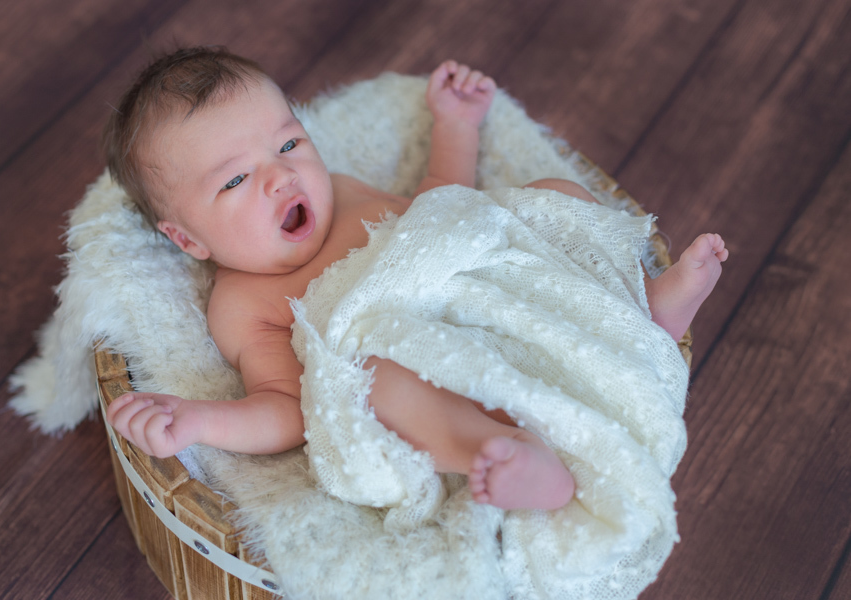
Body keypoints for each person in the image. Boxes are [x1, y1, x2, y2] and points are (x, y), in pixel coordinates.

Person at [105, 47, 728, 512]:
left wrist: (456, 124)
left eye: (289, 144)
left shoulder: (346, 193)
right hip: (432, 362)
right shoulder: (242, 304)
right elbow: (288, 407)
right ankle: (512, 454)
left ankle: (637, 309)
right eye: (236, 180)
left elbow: (441, 205)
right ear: (188, 239)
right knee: (376, 383)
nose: (280, 178)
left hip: (500, 292)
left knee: (548, 198)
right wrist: (198, 421)